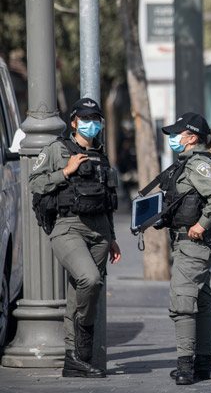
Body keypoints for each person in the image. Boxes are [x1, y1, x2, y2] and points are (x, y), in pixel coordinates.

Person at [29, 98, 121, 378]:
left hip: (100, 231)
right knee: (89, 279)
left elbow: (107, 201)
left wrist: (113, 237)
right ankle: (79, 354)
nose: (91, 123)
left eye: (95, 118)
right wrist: (65, 171)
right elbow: (35, 183)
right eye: (85, 118)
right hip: (68, 226)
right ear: (74, 122)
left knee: (82, 294)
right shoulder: (57, 149)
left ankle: (76, 359)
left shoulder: (101, 155)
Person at [160, 112, 211, 385]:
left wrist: (202, 223)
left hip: (194, 244)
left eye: (177, 134)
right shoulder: (190, 163)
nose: (173, 139)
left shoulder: (197, 164)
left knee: (182, 304)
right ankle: (204, 364)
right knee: (201, 303)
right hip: (191, 245)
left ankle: (186, 367)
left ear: (191, 138)